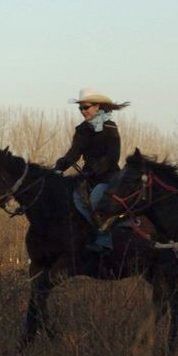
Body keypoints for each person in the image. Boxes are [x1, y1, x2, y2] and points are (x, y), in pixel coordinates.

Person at [55, 88, 130, 253]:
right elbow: (73, 153)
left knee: (97, 197)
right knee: (75, 198)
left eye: (86, 107)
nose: (83, 111)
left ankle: (105, 240)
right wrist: (59, 166)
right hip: (88, 177)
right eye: (80, 108)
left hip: (108, 176)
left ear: (97, 106)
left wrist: (95, 170)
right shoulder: (82, 129)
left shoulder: (110, 127)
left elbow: (112, 156)